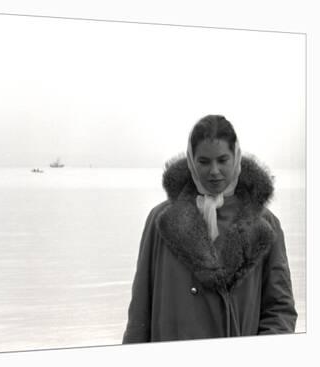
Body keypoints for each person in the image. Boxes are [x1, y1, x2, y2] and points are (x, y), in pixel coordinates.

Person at [122, 115, 297, 343]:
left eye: (222, 160)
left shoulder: (265, 225)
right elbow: (140, 311)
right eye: (204, 161)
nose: (214, 171)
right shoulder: (160, 220)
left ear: (236, 157)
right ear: (191, 161)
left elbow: (280, 309)